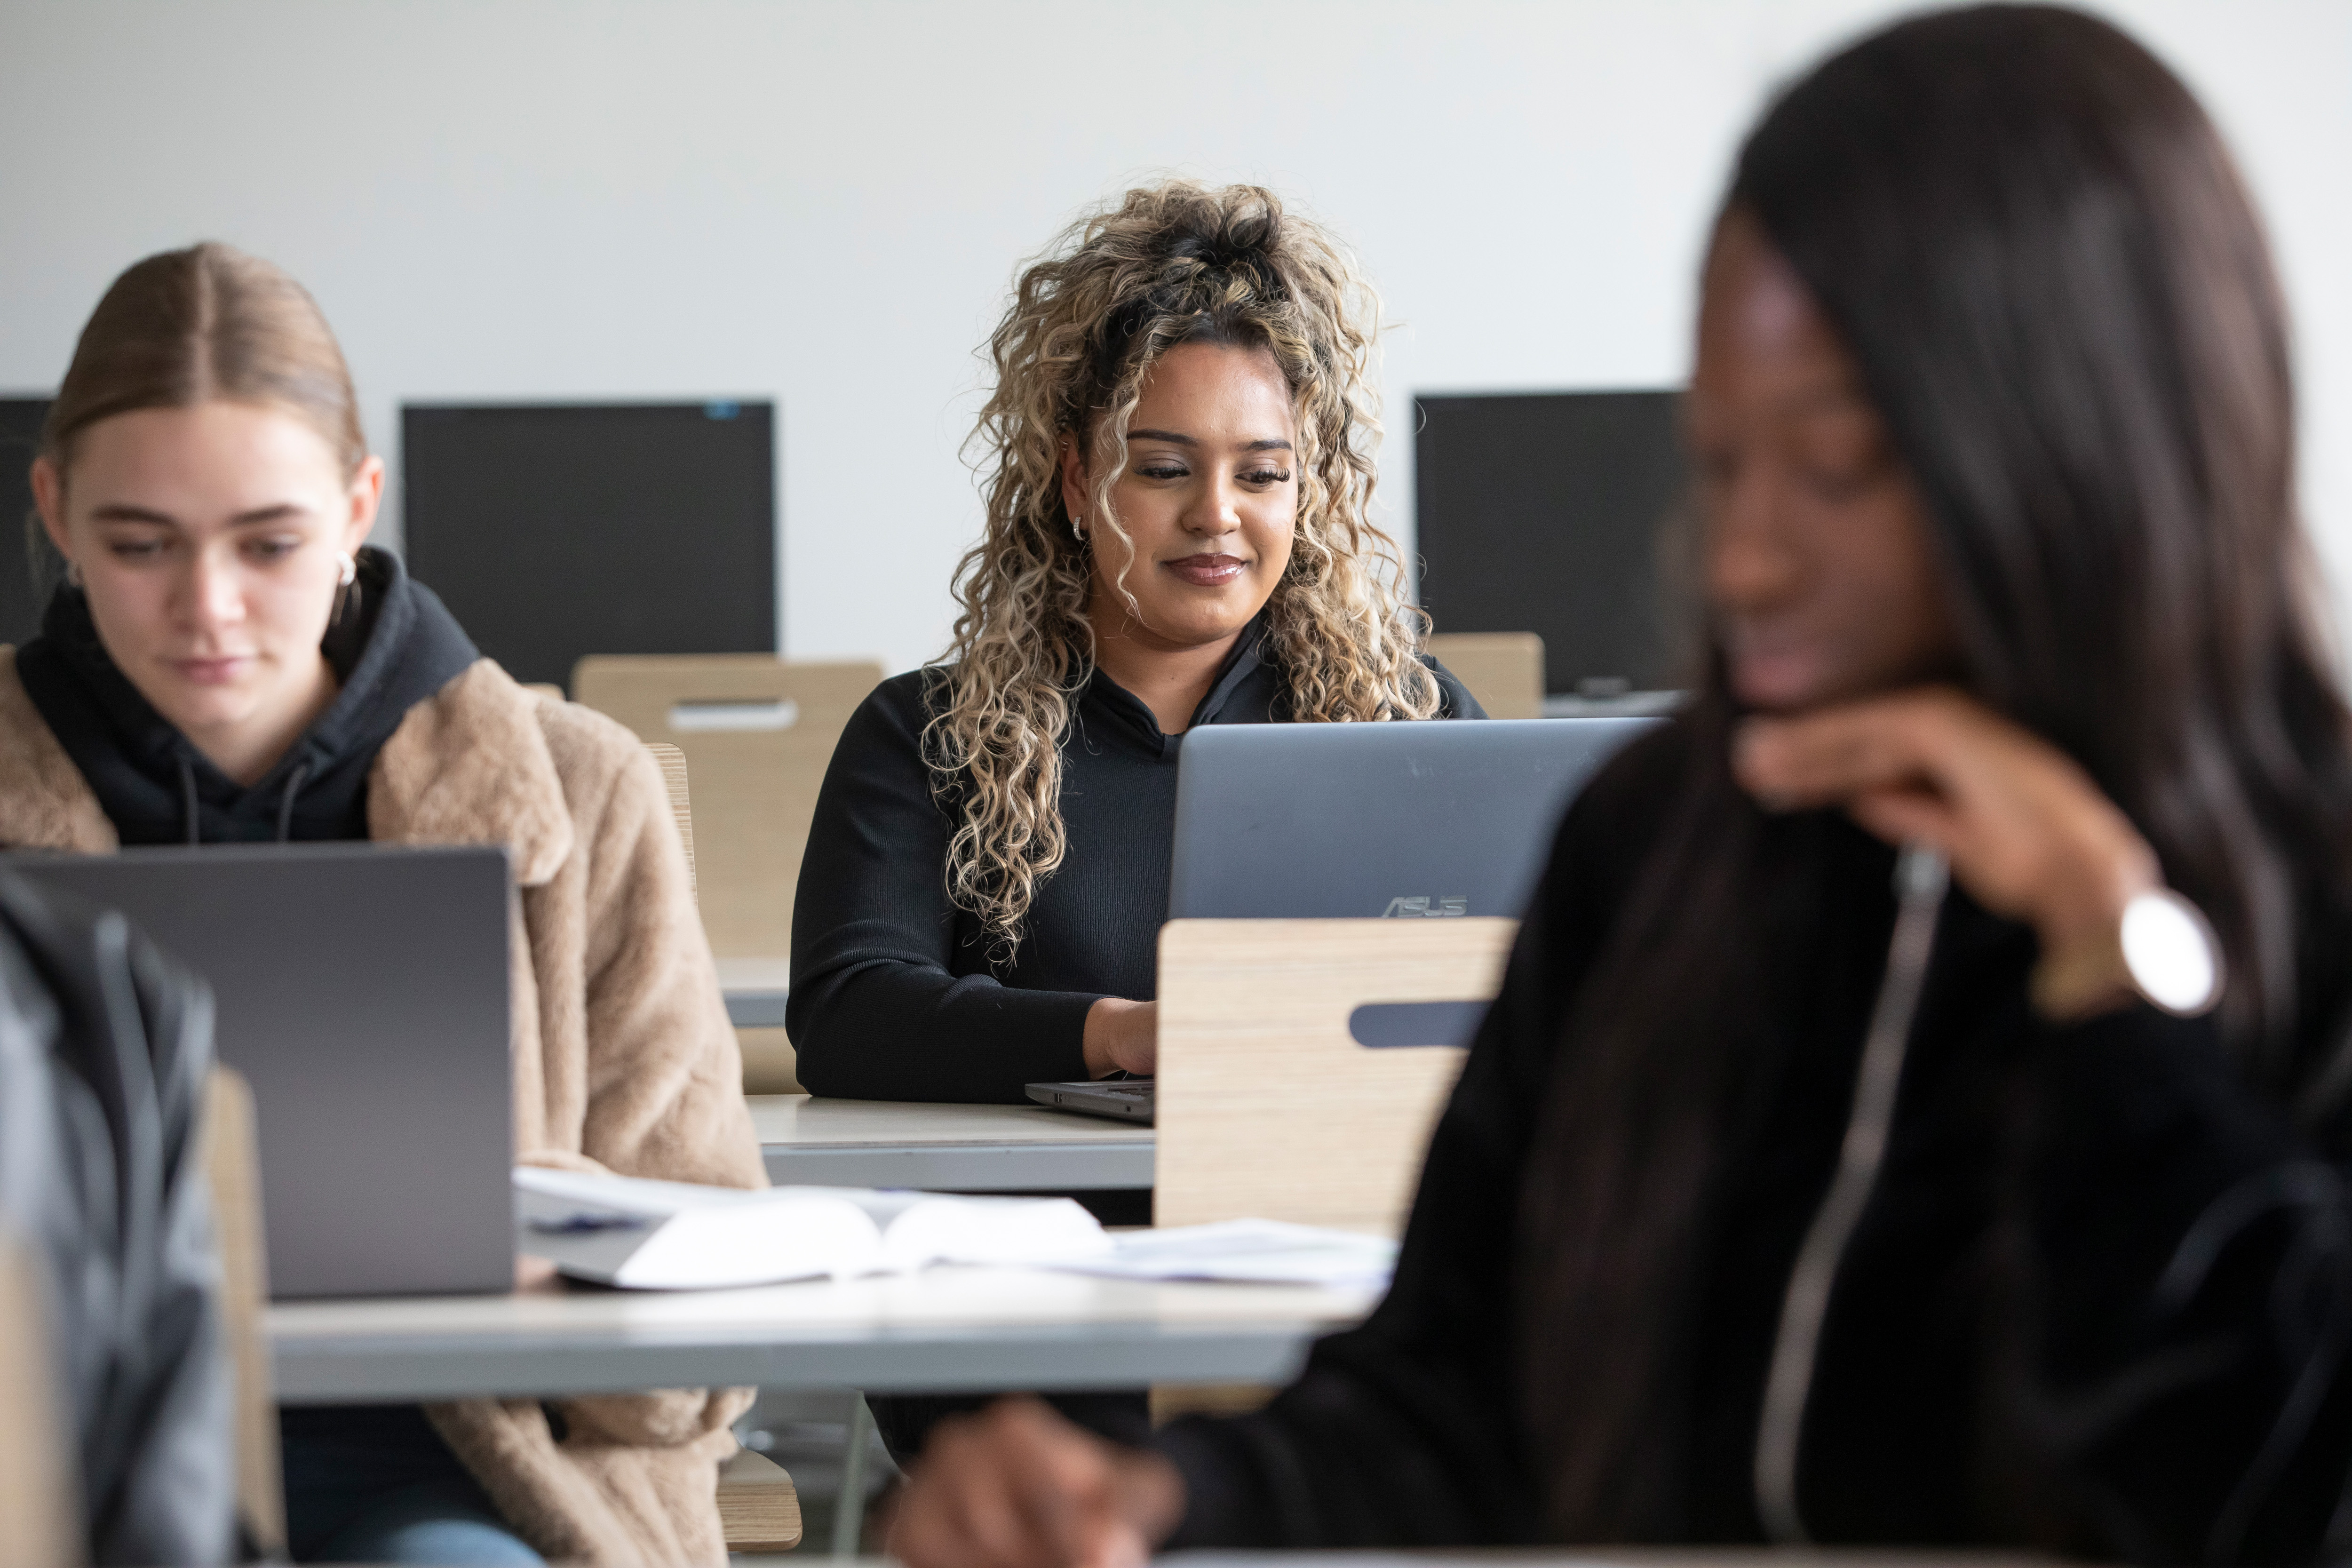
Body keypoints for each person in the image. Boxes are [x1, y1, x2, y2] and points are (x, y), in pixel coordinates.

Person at [885, 8, 2352, 1566]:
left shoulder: (2299, 875)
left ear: (2091, 442)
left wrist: (2115, 969)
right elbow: (1448, 1402)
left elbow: (2281, 1486)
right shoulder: (1663, 843)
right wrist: (1164, 1505)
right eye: (1719, 467)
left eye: (1834, 468)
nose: (1742, 558)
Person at [0, 243, 765, 1566]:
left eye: (271, 542)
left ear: (359, 505)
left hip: (470, 1462)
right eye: (140, 546)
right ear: (56, 512)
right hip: (52, 1456)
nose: (210, 608)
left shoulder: (583, 789)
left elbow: (712, 1341)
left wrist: (555, 1245)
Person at [790, 180, 1482, 1107]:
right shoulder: (926, 734)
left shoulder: (1413, 725)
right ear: (1077, 479)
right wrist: (1123, 1033)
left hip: (1332, 1219)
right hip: (1037, 1235)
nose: (1216, 514)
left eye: (1263, 473)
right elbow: (847, 1018)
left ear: (1306, 490)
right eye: (1163, 469)